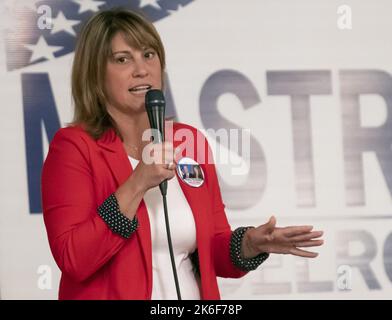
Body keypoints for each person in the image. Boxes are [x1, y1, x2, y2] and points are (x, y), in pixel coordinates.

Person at [41, 8, 324, 300]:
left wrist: (251, 244)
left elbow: (213, 247)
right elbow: (73, 258)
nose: (141, 69)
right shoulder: (74, 147)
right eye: (123, 59)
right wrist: (138, 182)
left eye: (148, 54)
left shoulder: (187, 141)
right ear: (95, 73)